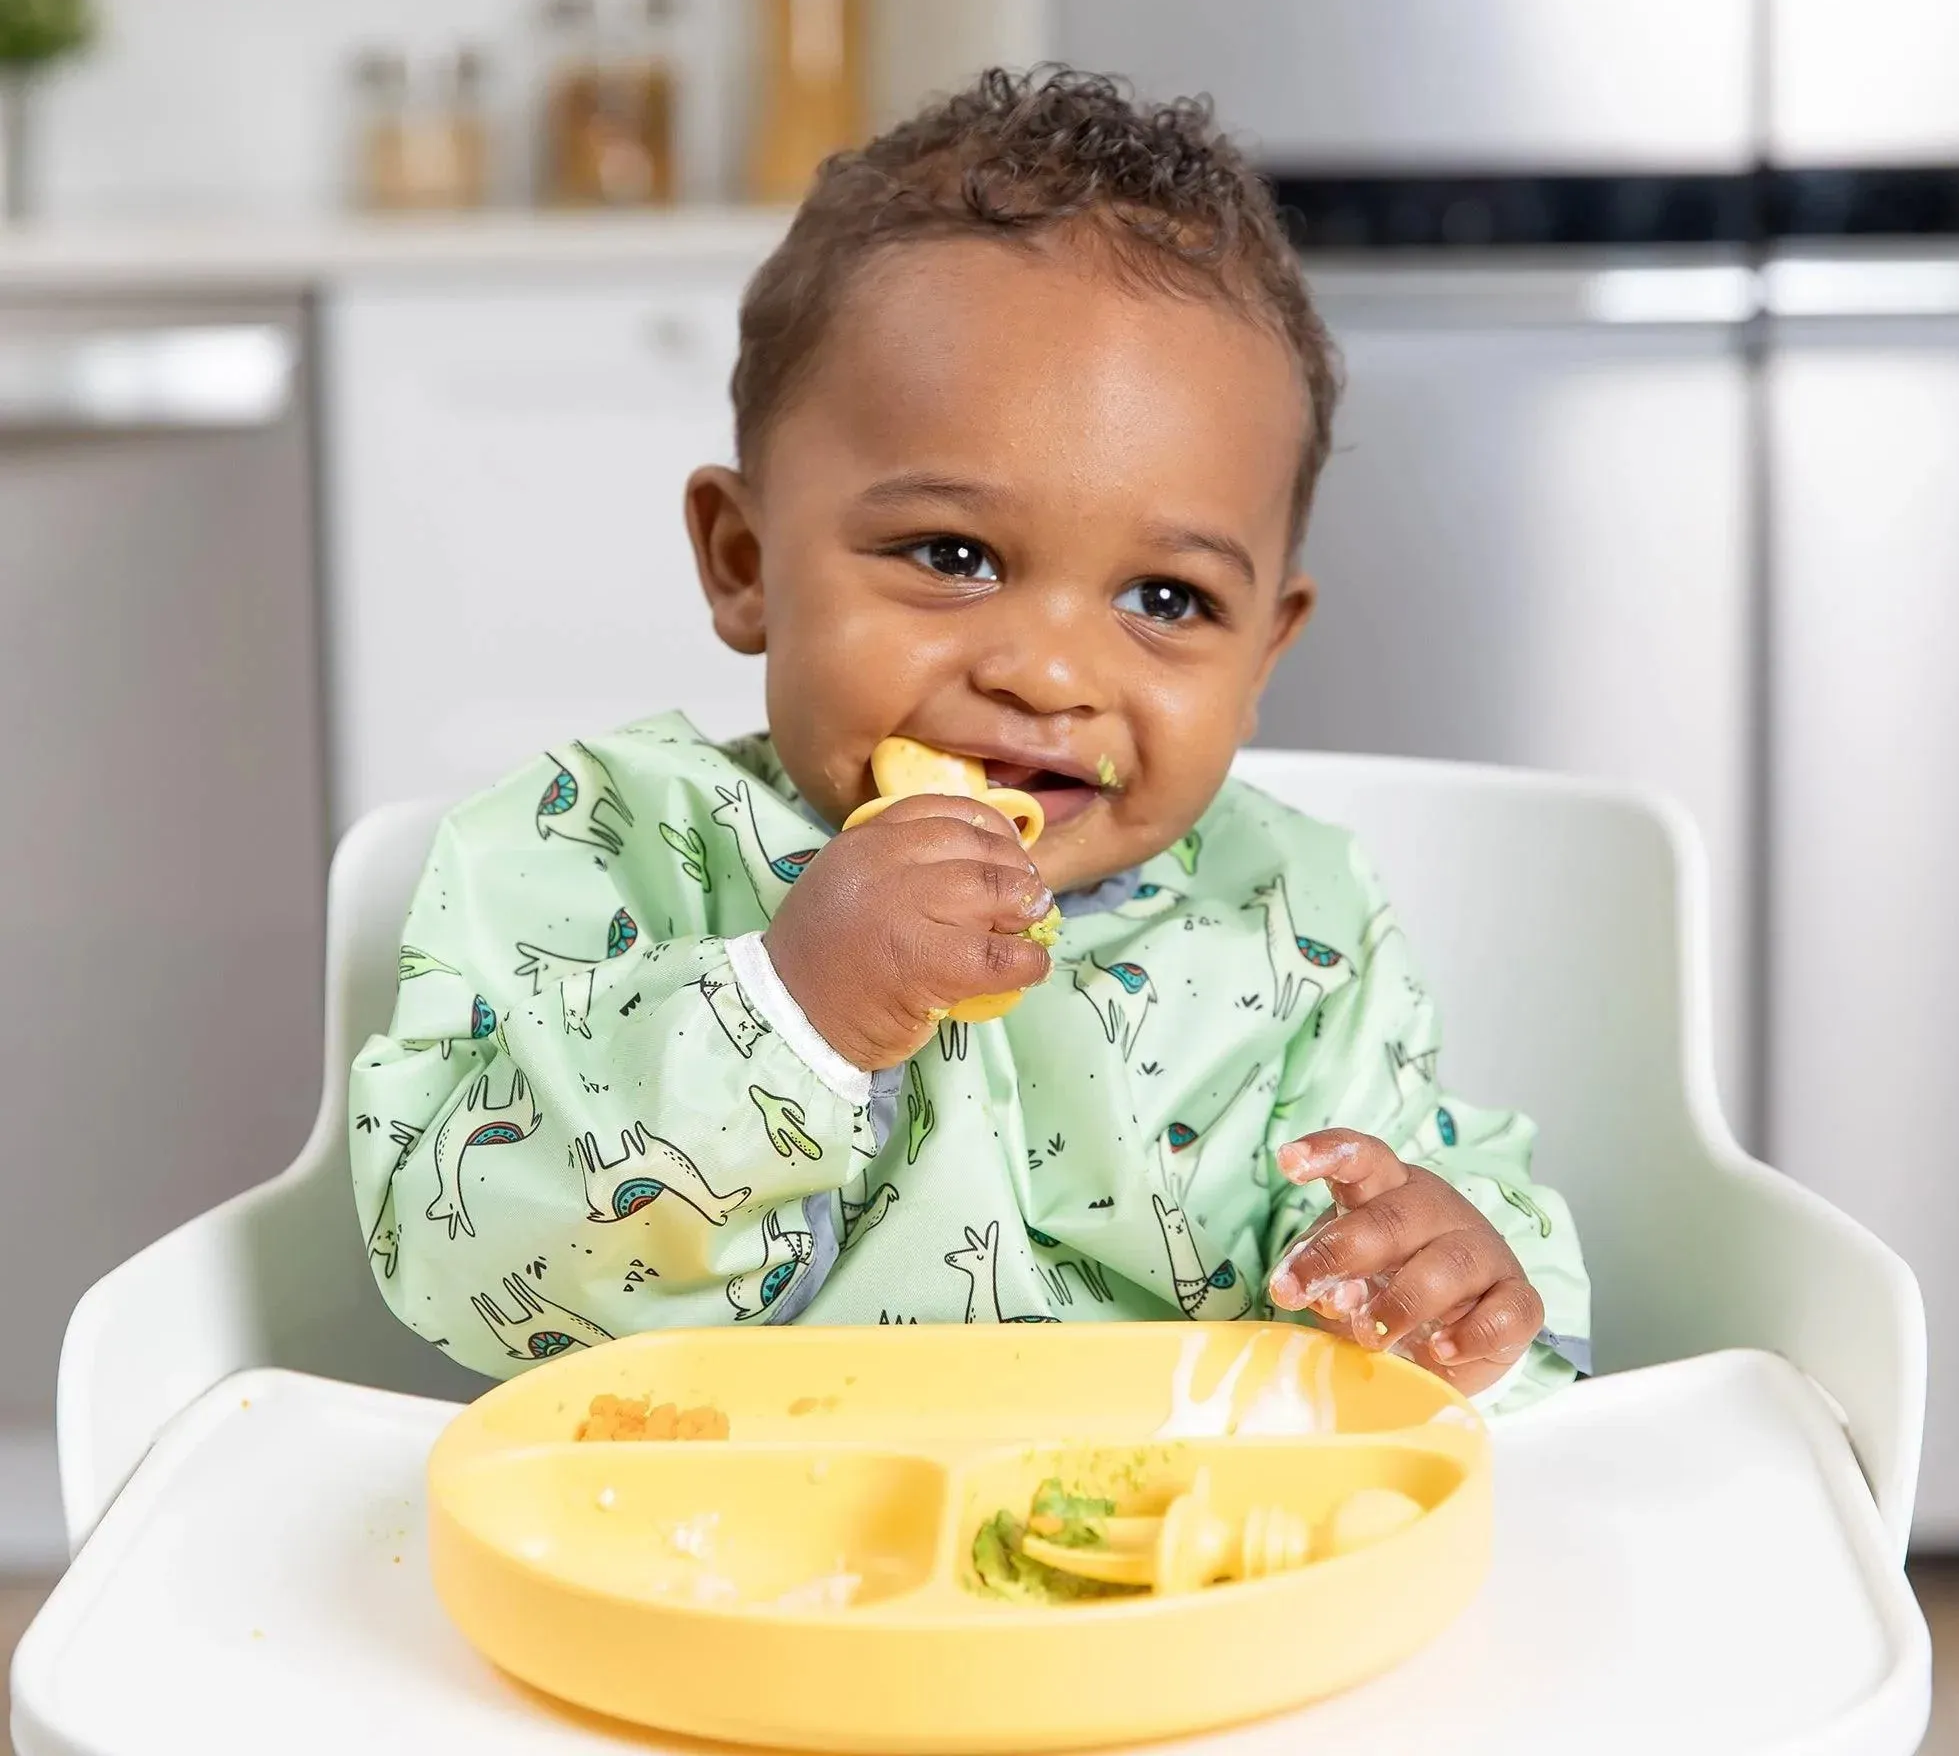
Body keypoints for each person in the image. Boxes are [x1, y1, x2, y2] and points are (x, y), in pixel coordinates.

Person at [351, 68, 1588, 1408]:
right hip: (732, 1556)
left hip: (1167, 1576)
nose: (1050, 673)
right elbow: (457, 1260)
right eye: (954, 555)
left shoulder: (1297, 922)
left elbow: (1453, 1288)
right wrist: (787, 1008)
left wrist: (1443, 1288)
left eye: (1165, 600)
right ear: (744, 559)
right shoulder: (595, 852)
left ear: (1261, 657)